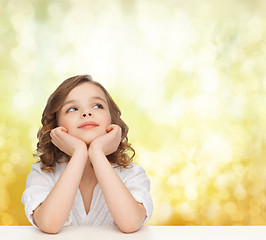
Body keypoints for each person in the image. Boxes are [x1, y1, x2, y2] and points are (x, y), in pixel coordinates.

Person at [21, 75, 153, 234]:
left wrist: (97, 152)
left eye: (97, 106)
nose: (86, 113)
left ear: (112, 120)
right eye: (72, 109)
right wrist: (79, 153)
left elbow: (131, 223)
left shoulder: (131, 173)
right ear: (56, 126)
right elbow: (49, 224)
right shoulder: (43, 174)